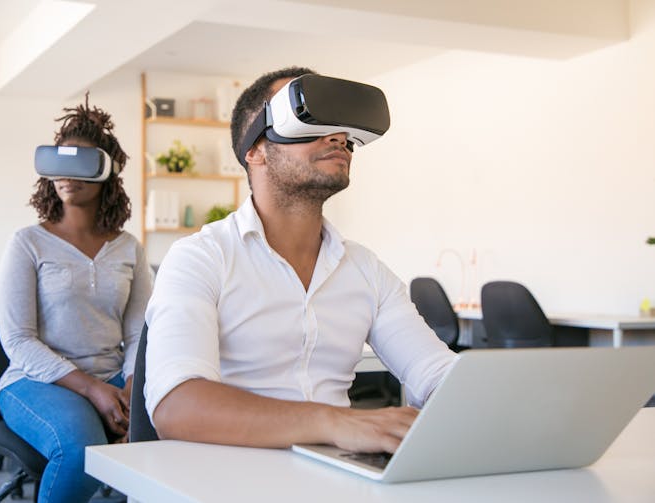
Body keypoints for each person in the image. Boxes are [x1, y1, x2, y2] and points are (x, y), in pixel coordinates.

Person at [144, 67, 456, 455]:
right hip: (227, 476)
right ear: (254, 149)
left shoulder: (366, 269)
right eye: (311, 119)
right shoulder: (201, 258)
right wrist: (333, 420)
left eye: (342, 129)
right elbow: (177, 407)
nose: (338, 137)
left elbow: (438, 375)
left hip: (338, 474)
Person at [0, 95, 152, 503]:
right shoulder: (27, 243)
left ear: (107, 172)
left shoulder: (129, 248)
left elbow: (138, 332)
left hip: (114, 376)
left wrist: (132, 387)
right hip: (36, 382)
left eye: (81, 163)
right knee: (80, 450)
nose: (66, 175)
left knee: (168, 432)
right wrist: (92, 390)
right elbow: (18, 341)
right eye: (59, 162)